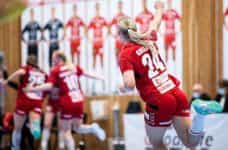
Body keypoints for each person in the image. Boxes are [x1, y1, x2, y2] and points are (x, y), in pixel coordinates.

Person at [117, 5, 222, 150]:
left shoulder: (125, 54)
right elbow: (156, 22)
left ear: (119, 34)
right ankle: (199, 116)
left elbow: (129, 84)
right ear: (135, 29)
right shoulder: (147, 38)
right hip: (176, 92)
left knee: (156, 143)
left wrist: (121, 88)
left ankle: (199, 115)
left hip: (159, 100)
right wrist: (159, 9)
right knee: (191, 142)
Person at [25, 51, 106, 150]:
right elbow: (86, 74)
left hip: (67, 101)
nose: (52, 60)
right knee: (77, 128)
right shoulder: (73, 66)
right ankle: (92, 128)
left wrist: (32, 89)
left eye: (53, 58)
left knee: (66, 130)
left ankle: (62, 146)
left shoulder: (56, 70)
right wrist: (100, 78)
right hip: (78, 99)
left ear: (58, 58)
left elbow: (49, 86)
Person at [3, 55, 47, 150]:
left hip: (23, 101)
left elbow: (19, 72)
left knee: (17, 129)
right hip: (36, 102)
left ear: (27, 62)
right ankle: (33, 128)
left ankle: (15, 148)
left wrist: (7, 80)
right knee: (34, 129)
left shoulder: (26, 68)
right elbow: (47, 87)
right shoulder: (44, 73)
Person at [88, 3, 108, 69]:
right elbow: (86, 30)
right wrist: (90, 39)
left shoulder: (102, 19)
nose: (97, 11)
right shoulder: (92, 20)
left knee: (101, 58)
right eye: (96, 9)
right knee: (94, 58)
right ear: (95, 10)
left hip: (100, 42)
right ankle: (94, 70)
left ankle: (102, 71)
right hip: (94, 42)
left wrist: (104, 38)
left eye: (98, 9)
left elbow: (109, 28)